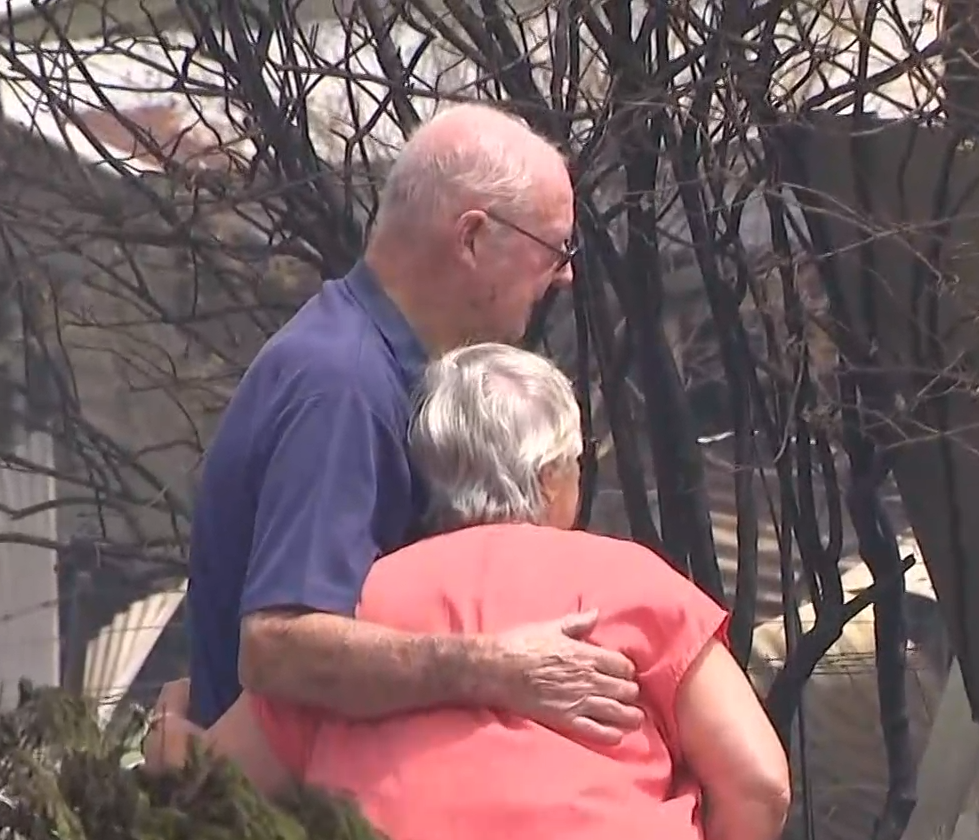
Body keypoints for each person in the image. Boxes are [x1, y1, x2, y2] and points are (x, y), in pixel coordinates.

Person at [210, 343, 794, 840]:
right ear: (554, 478)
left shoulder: (357, 614)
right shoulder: (631, 584)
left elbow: (216, 783)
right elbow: (761, 782)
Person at [163, 102, 645, 765]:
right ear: (473, 239)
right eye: (553, 249)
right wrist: (495, 668)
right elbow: (278, 645)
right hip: (285, 837)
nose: (566, 274)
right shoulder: (344, 387)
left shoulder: (360, 360)